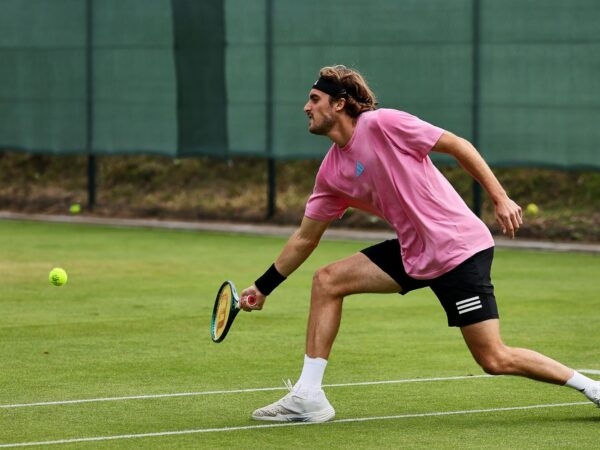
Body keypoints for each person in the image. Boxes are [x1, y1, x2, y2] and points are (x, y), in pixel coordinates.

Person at [239, 65, 600, 423]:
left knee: (493, 359)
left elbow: (458, 145)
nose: (306, 107)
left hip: (459, 248)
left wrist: (499, 197)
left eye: (314, 98)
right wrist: (263, 286)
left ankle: (591, 387)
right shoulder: (331, 173)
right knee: (328, 280)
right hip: (415, 252)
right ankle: (308, 396)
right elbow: (305, 237)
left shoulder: (383, 124)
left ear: (339, 104)